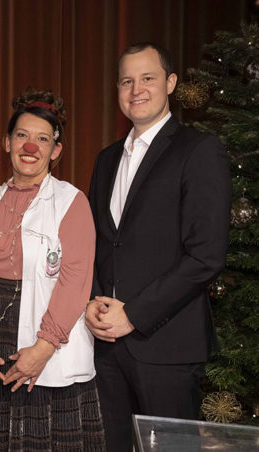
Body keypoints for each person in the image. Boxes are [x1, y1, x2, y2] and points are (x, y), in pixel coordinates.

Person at [86, 42, 231, 451]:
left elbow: (205, 256)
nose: (137, 90)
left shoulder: (199, 150)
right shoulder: (106, 159)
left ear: (170, 83)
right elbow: (98, 243)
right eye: (126, 81)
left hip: (167, 347)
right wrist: (92, 302)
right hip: (106, 347)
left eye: (148, 78)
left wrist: (133, 314)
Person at [0, 88, 105, 451]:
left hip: (49, 346)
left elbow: (75, 282)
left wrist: (42, 348)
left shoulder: (72, 202)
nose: (30, 146)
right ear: (6, 142)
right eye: (22, 135)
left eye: (42, 139)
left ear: (56, 151)